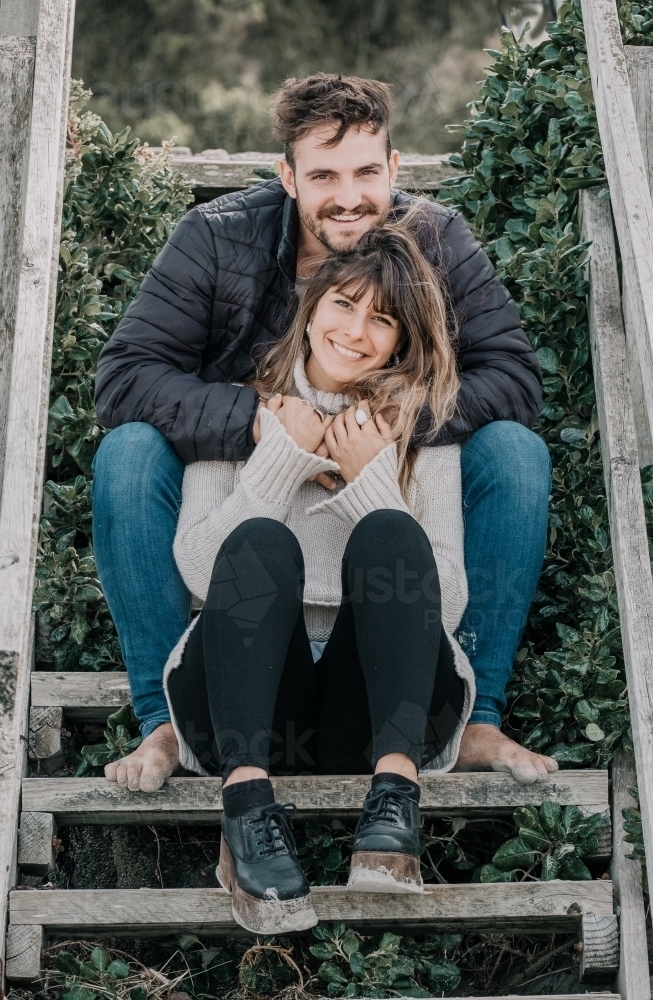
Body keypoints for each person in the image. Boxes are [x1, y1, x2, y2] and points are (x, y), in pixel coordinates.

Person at [95, 73, 556, 793]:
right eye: (323, 175)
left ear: (394, 168)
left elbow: (514, 378)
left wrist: (396, 424)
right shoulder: (216, 238)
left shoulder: (436, 239)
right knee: (126, 454)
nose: (349, 196)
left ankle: (475, 714)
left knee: (515, 453)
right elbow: (124, 377)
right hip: (251, 492)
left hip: (385, 499)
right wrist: (257, 423)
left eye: (367, 171)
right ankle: (163, 720)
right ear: (287, 177)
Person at [163, 217, 476, 934]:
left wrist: (374, 482)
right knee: (263, 542)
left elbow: (446, 604)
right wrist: (278, 462)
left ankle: (393, 806)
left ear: (403, 340)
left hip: (370, 711)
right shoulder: (240, 411)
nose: (356, 332)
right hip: (244, 702)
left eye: (383, 320)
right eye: (343, 305)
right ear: (312, 309)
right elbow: (198, 570)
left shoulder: (424, 431)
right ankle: (245, 815)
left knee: (394, 531)